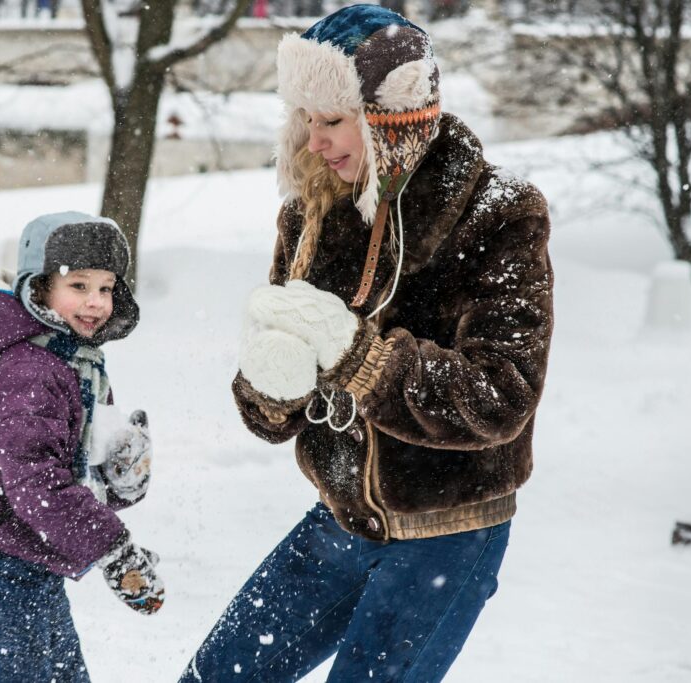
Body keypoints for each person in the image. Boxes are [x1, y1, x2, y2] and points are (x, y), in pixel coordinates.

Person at [180, 5, 553, 682]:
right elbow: (277, 405)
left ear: (392, 116)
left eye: (330, 121)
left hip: (449, 533)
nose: (313, 143)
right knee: (217, 675)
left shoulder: (498, 214)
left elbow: (502, 394)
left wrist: (364, 360)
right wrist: (270, 385)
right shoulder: (312, 209)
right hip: (340, 515)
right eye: (305, 121)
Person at [0, 212, 165, 683]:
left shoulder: (78, 365)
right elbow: (36, 486)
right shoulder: (31, 374)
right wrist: (114, 548)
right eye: (79, 286)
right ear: (39, 289)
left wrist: (121, 479)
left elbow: (73, 476)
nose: (96, 302)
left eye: (106, 288)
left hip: (36, 570)